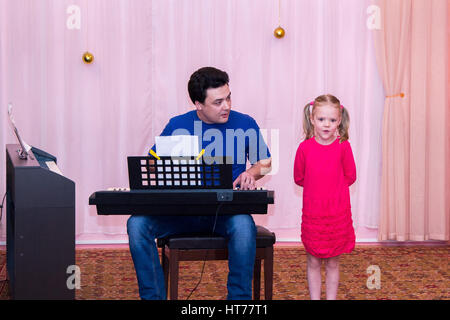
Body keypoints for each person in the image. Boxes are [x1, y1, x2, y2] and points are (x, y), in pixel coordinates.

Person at [127, 67, 272, 300]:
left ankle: (238, 301)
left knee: (245, 229)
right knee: (137, 225)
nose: (226, 106)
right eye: (217, 102)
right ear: (198, 104)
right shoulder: (178, 124)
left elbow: (265, 162)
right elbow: (151, 163)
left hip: (227, 212)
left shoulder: (245, 123)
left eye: (228, 98)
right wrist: (171, 157)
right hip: (181, 213)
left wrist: (251, 173)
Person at [293, 94, 356, 300]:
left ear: (339, 120)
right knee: (312, 261)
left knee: (333, 262)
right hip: (314, 215)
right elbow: (299, 178)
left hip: (337, 215)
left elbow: (350, 176)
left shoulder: (343, 146)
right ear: (312, 119)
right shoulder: (304, 148)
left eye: (332, 120)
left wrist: (333, 192)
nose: (326, 125)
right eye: (321, 119)